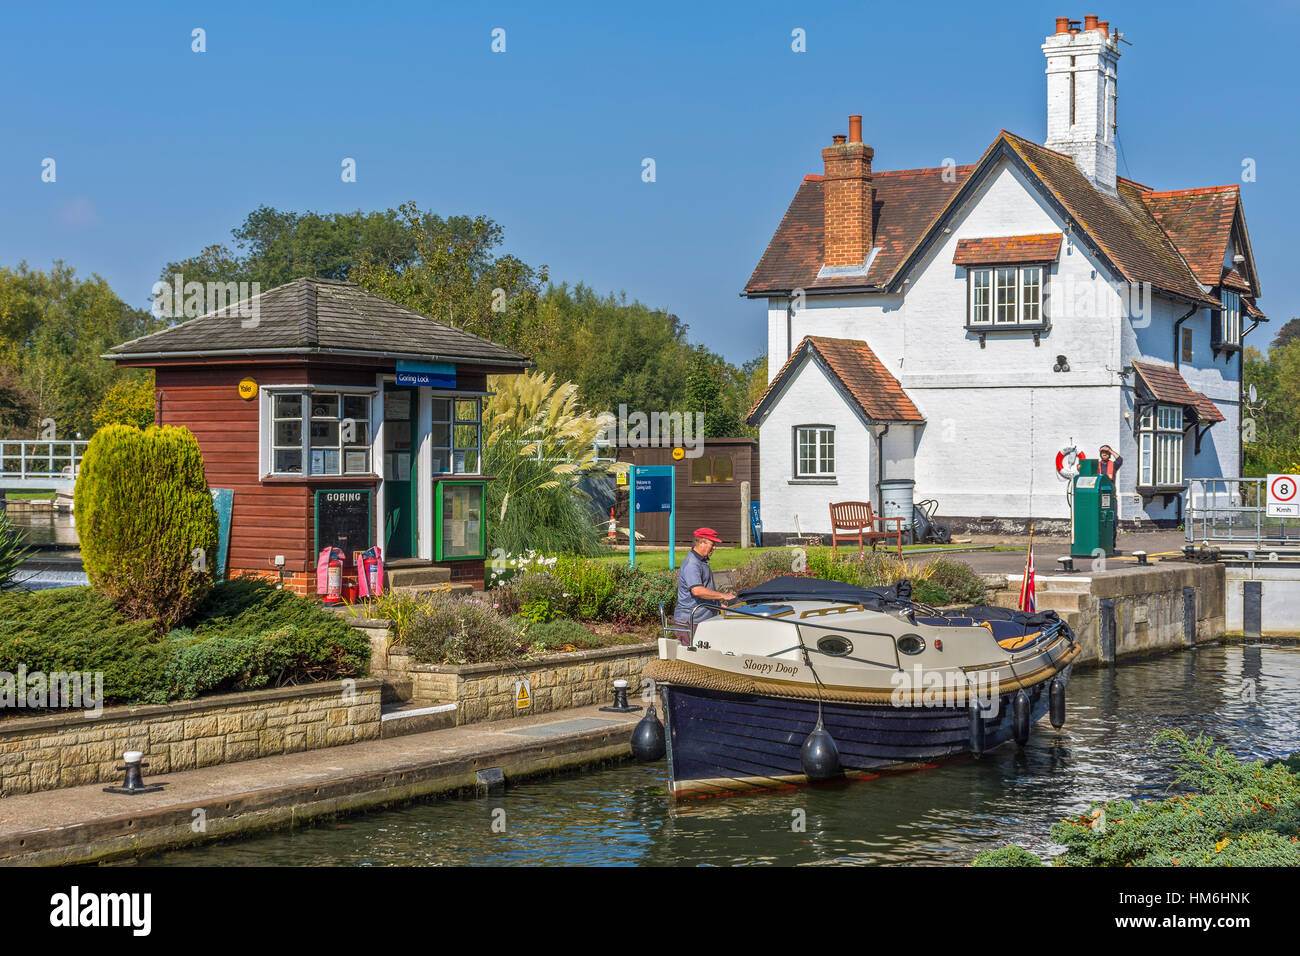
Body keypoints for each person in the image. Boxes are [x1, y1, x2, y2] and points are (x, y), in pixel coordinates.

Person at [673, 527, 736, 640]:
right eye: (712, 544)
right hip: (692, 622)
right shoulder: (692, 564)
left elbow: (705, 589)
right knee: (693, 657)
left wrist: (718, 604)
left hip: (702, 620)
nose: (714, 547)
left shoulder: (701, 561)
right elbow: (697, 590)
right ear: (702, 542)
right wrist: (723, 596)